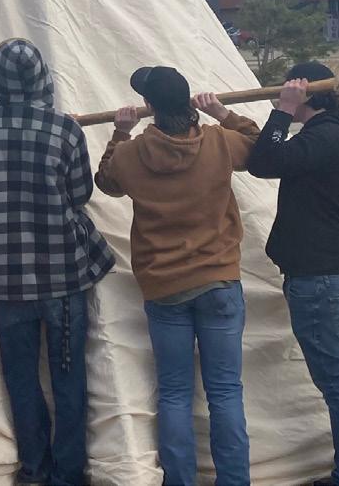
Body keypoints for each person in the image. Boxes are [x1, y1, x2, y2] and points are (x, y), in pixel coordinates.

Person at [95, 65, 260, 486]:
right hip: (219, 279)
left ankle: (180, 480)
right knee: (225, 391)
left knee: (174, 392)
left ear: (148, 106)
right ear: (188, 102)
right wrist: (223, 113)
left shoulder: (131, 154)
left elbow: (107, 182)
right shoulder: (219, 142)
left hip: (164, 285)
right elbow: (261, 147)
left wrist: (120, 133)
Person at [0, 39, 115, 486]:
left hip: (6, 276)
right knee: (68, 378)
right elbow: (80, 194)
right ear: (40, 77)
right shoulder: (64, 129)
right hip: (62, 274)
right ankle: (68, 473)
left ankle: (34, 468)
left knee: (21, 378)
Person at [246, 62, 339, 486]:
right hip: (325, 273)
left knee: (338, 381)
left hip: (318, 276)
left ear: (305, 93)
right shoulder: (329, 134)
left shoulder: (325, 136)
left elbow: (264, 162)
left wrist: (283, 110)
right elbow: (268, 152)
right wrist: (222, 114)